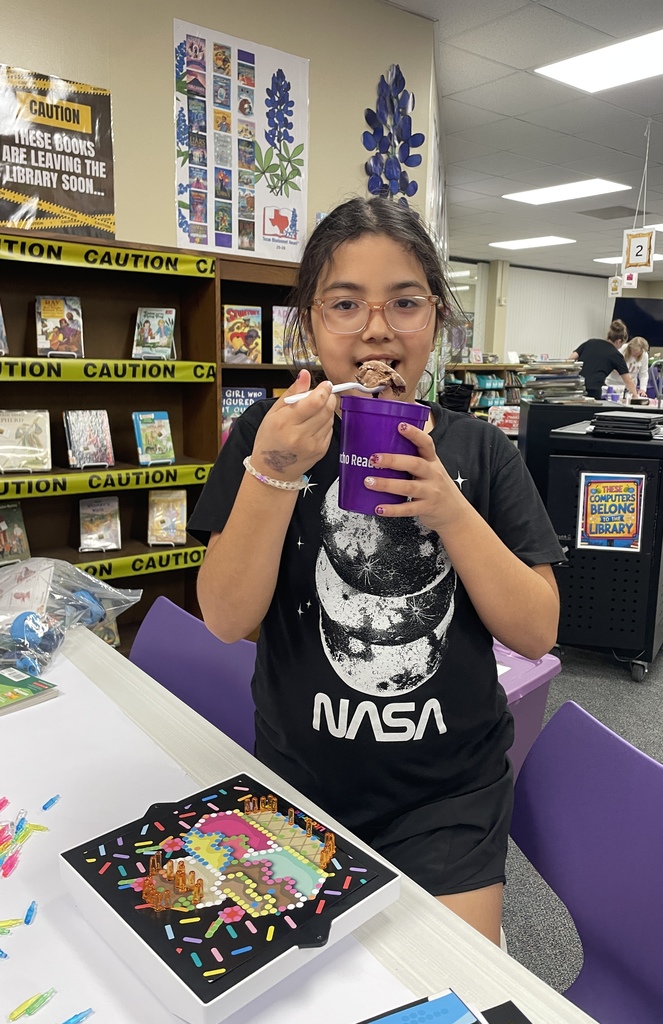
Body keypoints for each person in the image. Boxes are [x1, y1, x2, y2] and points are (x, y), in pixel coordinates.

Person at [188, 196, 562, 945]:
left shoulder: (482, 452)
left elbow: (536, 631)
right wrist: (274, 471)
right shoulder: (267, 437)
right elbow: (227, 619)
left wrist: (451, 512)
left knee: (446, 993)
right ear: (311, 323)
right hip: (296, 781)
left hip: (449, 797)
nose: (377, 329)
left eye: (405, 303)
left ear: (436, 321)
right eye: (345, 304)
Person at [570, 319, 641, 400]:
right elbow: (628, 380)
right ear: (619, 341)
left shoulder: (590, 342)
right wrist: (636, 397)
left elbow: (570, 360)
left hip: (575, 387)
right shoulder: (616, 355)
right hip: (592, 390)